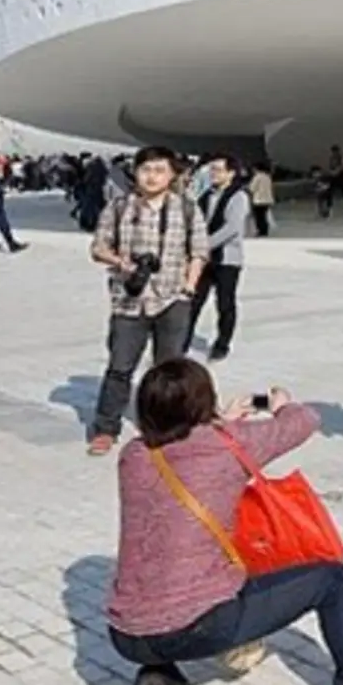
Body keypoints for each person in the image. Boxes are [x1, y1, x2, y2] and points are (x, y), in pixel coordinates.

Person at [104, 360, 343, 685]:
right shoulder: (226, 447)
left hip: (125, 635)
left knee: (163, 566)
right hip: (199, 627)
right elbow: (305, 421)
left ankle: (158, 676)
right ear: (204, 404)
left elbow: (180, 443)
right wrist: (281, 405)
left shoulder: (133, 457)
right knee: (332, 580)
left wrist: (221, 423)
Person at [88, 147, 210, 456]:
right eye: (146, 170)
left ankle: (166, 427)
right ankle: (105, 427)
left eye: (159, 170)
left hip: (172, 299)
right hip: (128, 301)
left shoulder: (186, 209)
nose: (152, 176)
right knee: (119, 367)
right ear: (135, 172)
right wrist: (122, 262)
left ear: (172, 175)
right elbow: (98, 247)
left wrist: (189, 288)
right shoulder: (118, 207)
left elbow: (199, 251)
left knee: (169, 370)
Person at [190, 156, 252, 361]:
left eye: (217, 170)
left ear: (231, 173)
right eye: (212, 170)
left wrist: (204, 244)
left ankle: (222, 343)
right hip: (204, 259)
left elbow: (232, 228)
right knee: (194, 300)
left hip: (227, 259)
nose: (213, 174)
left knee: (225, 303)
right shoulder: (206, 195)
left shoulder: (238, 196)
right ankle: (181, 339)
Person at [248, 162, 276, 238]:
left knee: (258, 217)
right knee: (264, 216)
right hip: (267, 200)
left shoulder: (257, 177)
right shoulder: (267, 177)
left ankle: (260, 231)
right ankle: (265, 231)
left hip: (258, 200)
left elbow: (251, 188)